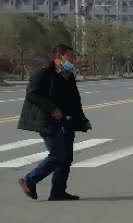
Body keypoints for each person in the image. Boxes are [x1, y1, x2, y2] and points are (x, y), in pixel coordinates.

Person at [16, 44, 90, 201]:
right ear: (59, 57)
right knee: (57, 155)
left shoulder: (68, 75)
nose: (74, 59)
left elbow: (74, 100)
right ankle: (29, 180)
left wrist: (82, 120)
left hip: (66, 120)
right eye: (71, 56)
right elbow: (32, 94)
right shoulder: (44, 73)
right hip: (47, 120)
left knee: (67, 157)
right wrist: (52, 109)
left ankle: (58, 192)